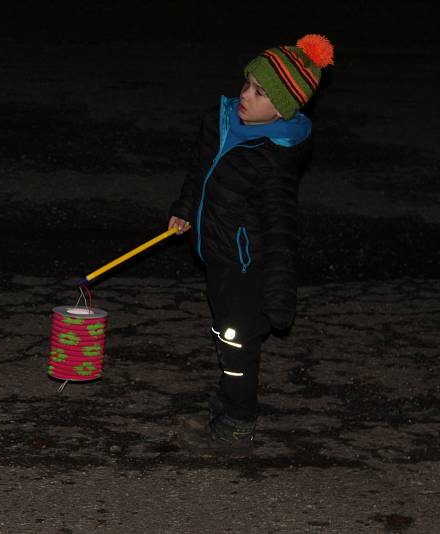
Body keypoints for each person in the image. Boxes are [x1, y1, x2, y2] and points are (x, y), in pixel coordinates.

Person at [167, 34, 335, 451]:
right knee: (225, 331)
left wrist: (280, 293)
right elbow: (199, 173)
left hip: (247, 264)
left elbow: (280, 230)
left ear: (280, 107)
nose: (245, 95)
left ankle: (239, 418)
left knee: (236, 340)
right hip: (217, 253)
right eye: (246, 84)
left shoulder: (273, 158)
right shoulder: (224, 124)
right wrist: (185, 209)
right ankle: (229, 392)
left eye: (258, 93)